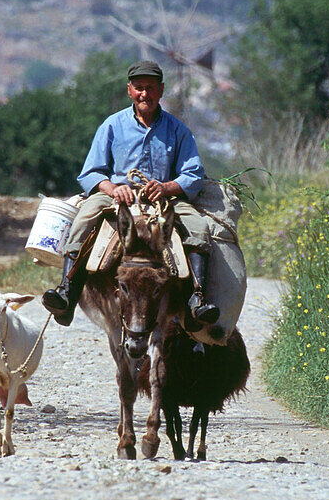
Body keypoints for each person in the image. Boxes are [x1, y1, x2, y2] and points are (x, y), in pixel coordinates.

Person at [42, 60, 220, 327]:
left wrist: (166, 187)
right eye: (138, 88)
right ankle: (66, 291)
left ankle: (197, 299)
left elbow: (193, 174)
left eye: (150, 88)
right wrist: (113, 188)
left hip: (164, 200)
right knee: (84, 218)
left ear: (161, 90)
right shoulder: (112, 126)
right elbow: (91, 172)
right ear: (129, 90)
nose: (144, 94)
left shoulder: (178, 130)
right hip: (116, 195)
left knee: (198, 227)